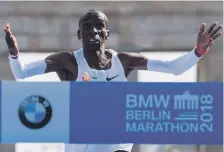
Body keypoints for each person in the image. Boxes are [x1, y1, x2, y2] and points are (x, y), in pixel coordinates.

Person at [4, 9, 222, 152]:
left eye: (99, 26)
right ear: (79, 34)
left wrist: (198, 51)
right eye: (86, 26)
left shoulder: (123, 61)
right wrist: (14, 54)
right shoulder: (67, 61)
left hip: (117, 145)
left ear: (107, 34)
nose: (93, 31)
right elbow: (21, 73)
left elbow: (174, 68)